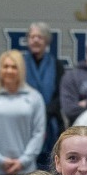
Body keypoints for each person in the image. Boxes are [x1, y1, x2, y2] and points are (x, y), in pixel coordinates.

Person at [20, 22, 67, 161]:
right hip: (25, 121)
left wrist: (43, 112)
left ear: (46, 41)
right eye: (32, 36)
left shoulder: (57, 65)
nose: (35, 40)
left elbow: (61, 95)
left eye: (39, 37)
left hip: (52, 121)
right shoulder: (20, 63)